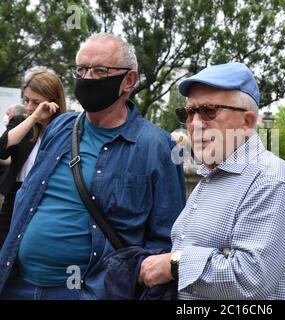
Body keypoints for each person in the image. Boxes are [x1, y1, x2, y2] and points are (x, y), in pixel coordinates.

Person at [0, 33, 186, 300]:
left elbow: (165, 240)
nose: (86, 78)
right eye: (81, 69)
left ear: (128, 81)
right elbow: (28, 198)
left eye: (99, 70)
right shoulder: (60, 127)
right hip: (17, 285)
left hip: (87, 293)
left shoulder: (157, 147)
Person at [138, 62, 285, 300]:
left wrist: (174, 264)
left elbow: (249, 277)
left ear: (248, 122)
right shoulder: (212, 176)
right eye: (188, 112)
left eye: (209, 110)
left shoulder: (269, 181)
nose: (195, 124)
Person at [0, 69, 67, 249]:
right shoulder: (23, 122)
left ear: (54, 101)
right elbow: (2, 149)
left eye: (36, 102)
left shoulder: (66, 129)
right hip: (14, 195)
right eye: (26, 100)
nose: (29, 107)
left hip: (46, 198)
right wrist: (34, 117)